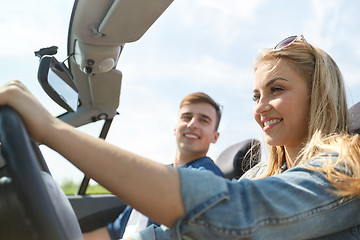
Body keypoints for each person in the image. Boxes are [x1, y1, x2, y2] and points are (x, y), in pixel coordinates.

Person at [1, 34, 360, 239]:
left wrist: (52, 130)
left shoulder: (346, 167)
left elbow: (237, 214)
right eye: (255, 96)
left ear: (318, 94)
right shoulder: (259, 176)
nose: (260, 107)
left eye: (276, 89)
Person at [83, 92, 225, 240]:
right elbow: (113, 231)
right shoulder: (155, 176)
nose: (192, 124)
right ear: (175, 128)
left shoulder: (207, 176)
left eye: (203, 120)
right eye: (187, 117)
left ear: (215, 136)